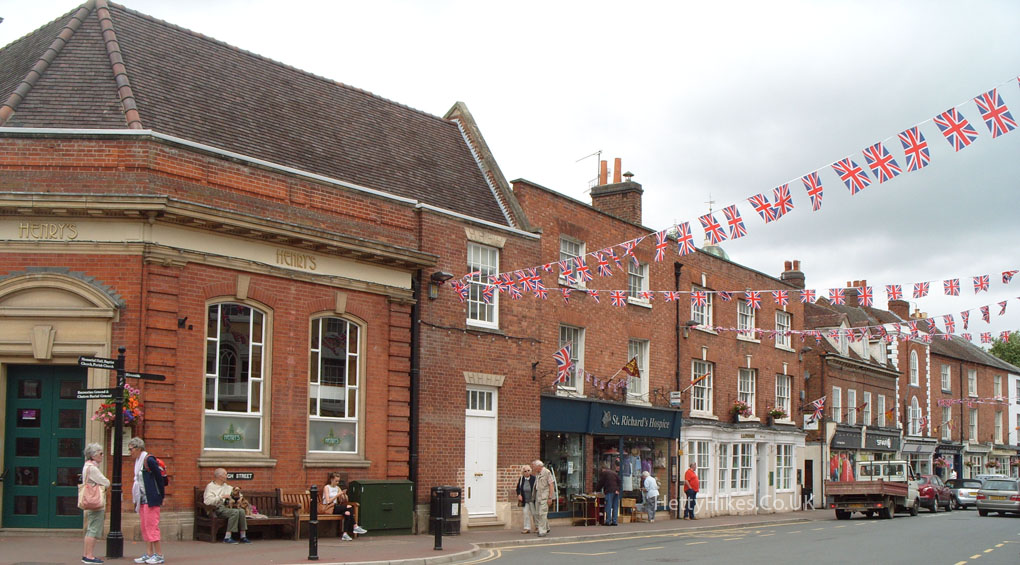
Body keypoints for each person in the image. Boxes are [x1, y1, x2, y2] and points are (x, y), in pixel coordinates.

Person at [128, 438, 165, 564]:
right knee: (145, 526)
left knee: (152, 526)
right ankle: (149, 553)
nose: (130, 452)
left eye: (131, 449)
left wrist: (161, 496)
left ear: (138, 448)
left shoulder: (149, 460)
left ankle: (159, 555)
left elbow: (159, 479)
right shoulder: (138, 461)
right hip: (142, 498)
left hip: (152, 498)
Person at [203, 468, 252, 544]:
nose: (227, 476)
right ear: (220, 476)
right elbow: (207, 501)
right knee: (235, 512)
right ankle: (227, 537)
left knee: (241, 511)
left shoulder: (226, 486)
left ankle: (243, 536)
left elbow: (237, 493)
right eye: (225, 475)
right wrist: (221, 497)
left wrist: (240, 497)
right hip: (216, 509)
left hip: (226, 508)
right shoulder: (210, 487)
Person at [81, 443, 110, 564]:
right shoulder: (92, 468)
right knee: (94, 529)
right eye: (100, 453)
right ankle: (89, 555)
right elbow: (106, 482)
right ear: (93, 455)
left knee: (90, 528)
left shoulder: (87, 466)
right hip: (95, 501)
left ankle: (86, 554)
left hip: (90, 500)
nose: (102, 455)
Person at [319, 472, 368, 540]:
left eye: (338, 481)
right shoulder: (326, 487)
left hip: (336, 507)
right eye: (336, 481)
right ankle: (355, 526)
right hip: (329, 508)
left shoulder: (337, 488)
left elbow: (344, 500)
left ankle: (345, 534)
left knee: (347, 513)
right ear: (331, 480)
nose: (337, 482)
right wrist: (337, 495)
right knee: (349, 507)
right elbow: (328, 501)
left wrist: (344, 495)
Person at [532, 459, 556, 537]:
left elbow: (551, 485)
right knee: (538, 513)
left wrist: (550, 497)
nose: (533, 468)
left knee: (542, 513)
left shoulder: (547, 472)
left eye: (534, 466)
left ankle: (542, 531)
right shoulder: (537, 473)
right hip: (538, 496)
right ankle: (547, 527)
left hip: (544, 496)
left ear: (539, 466)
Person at [595, 461, 620, 526]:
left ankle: (608, 521)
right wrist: (618, 489)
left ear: (602, 470)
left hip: (609, 490)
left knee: (608, 505)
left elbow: (601, 482)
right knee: (615, 506)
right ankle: (614, 521)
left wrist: (597, 490)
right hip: (616, 491)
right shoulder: (614, 473)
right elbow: (619, 481)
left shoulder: (604, 473)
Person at [515, 465, 536, 533]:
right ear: (523, 472)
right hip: (525, 500)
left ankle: (537, 527)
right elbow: (518, 488)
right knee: (526, 513)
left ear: (531, 471)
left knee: (534, 514)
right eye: (525, 471)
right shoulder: (521, 479)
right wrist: (519, 494)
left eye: (528, 470)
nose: (527, 472)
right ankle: (527, 528)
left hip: (532, 500)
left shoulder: (534, 478)